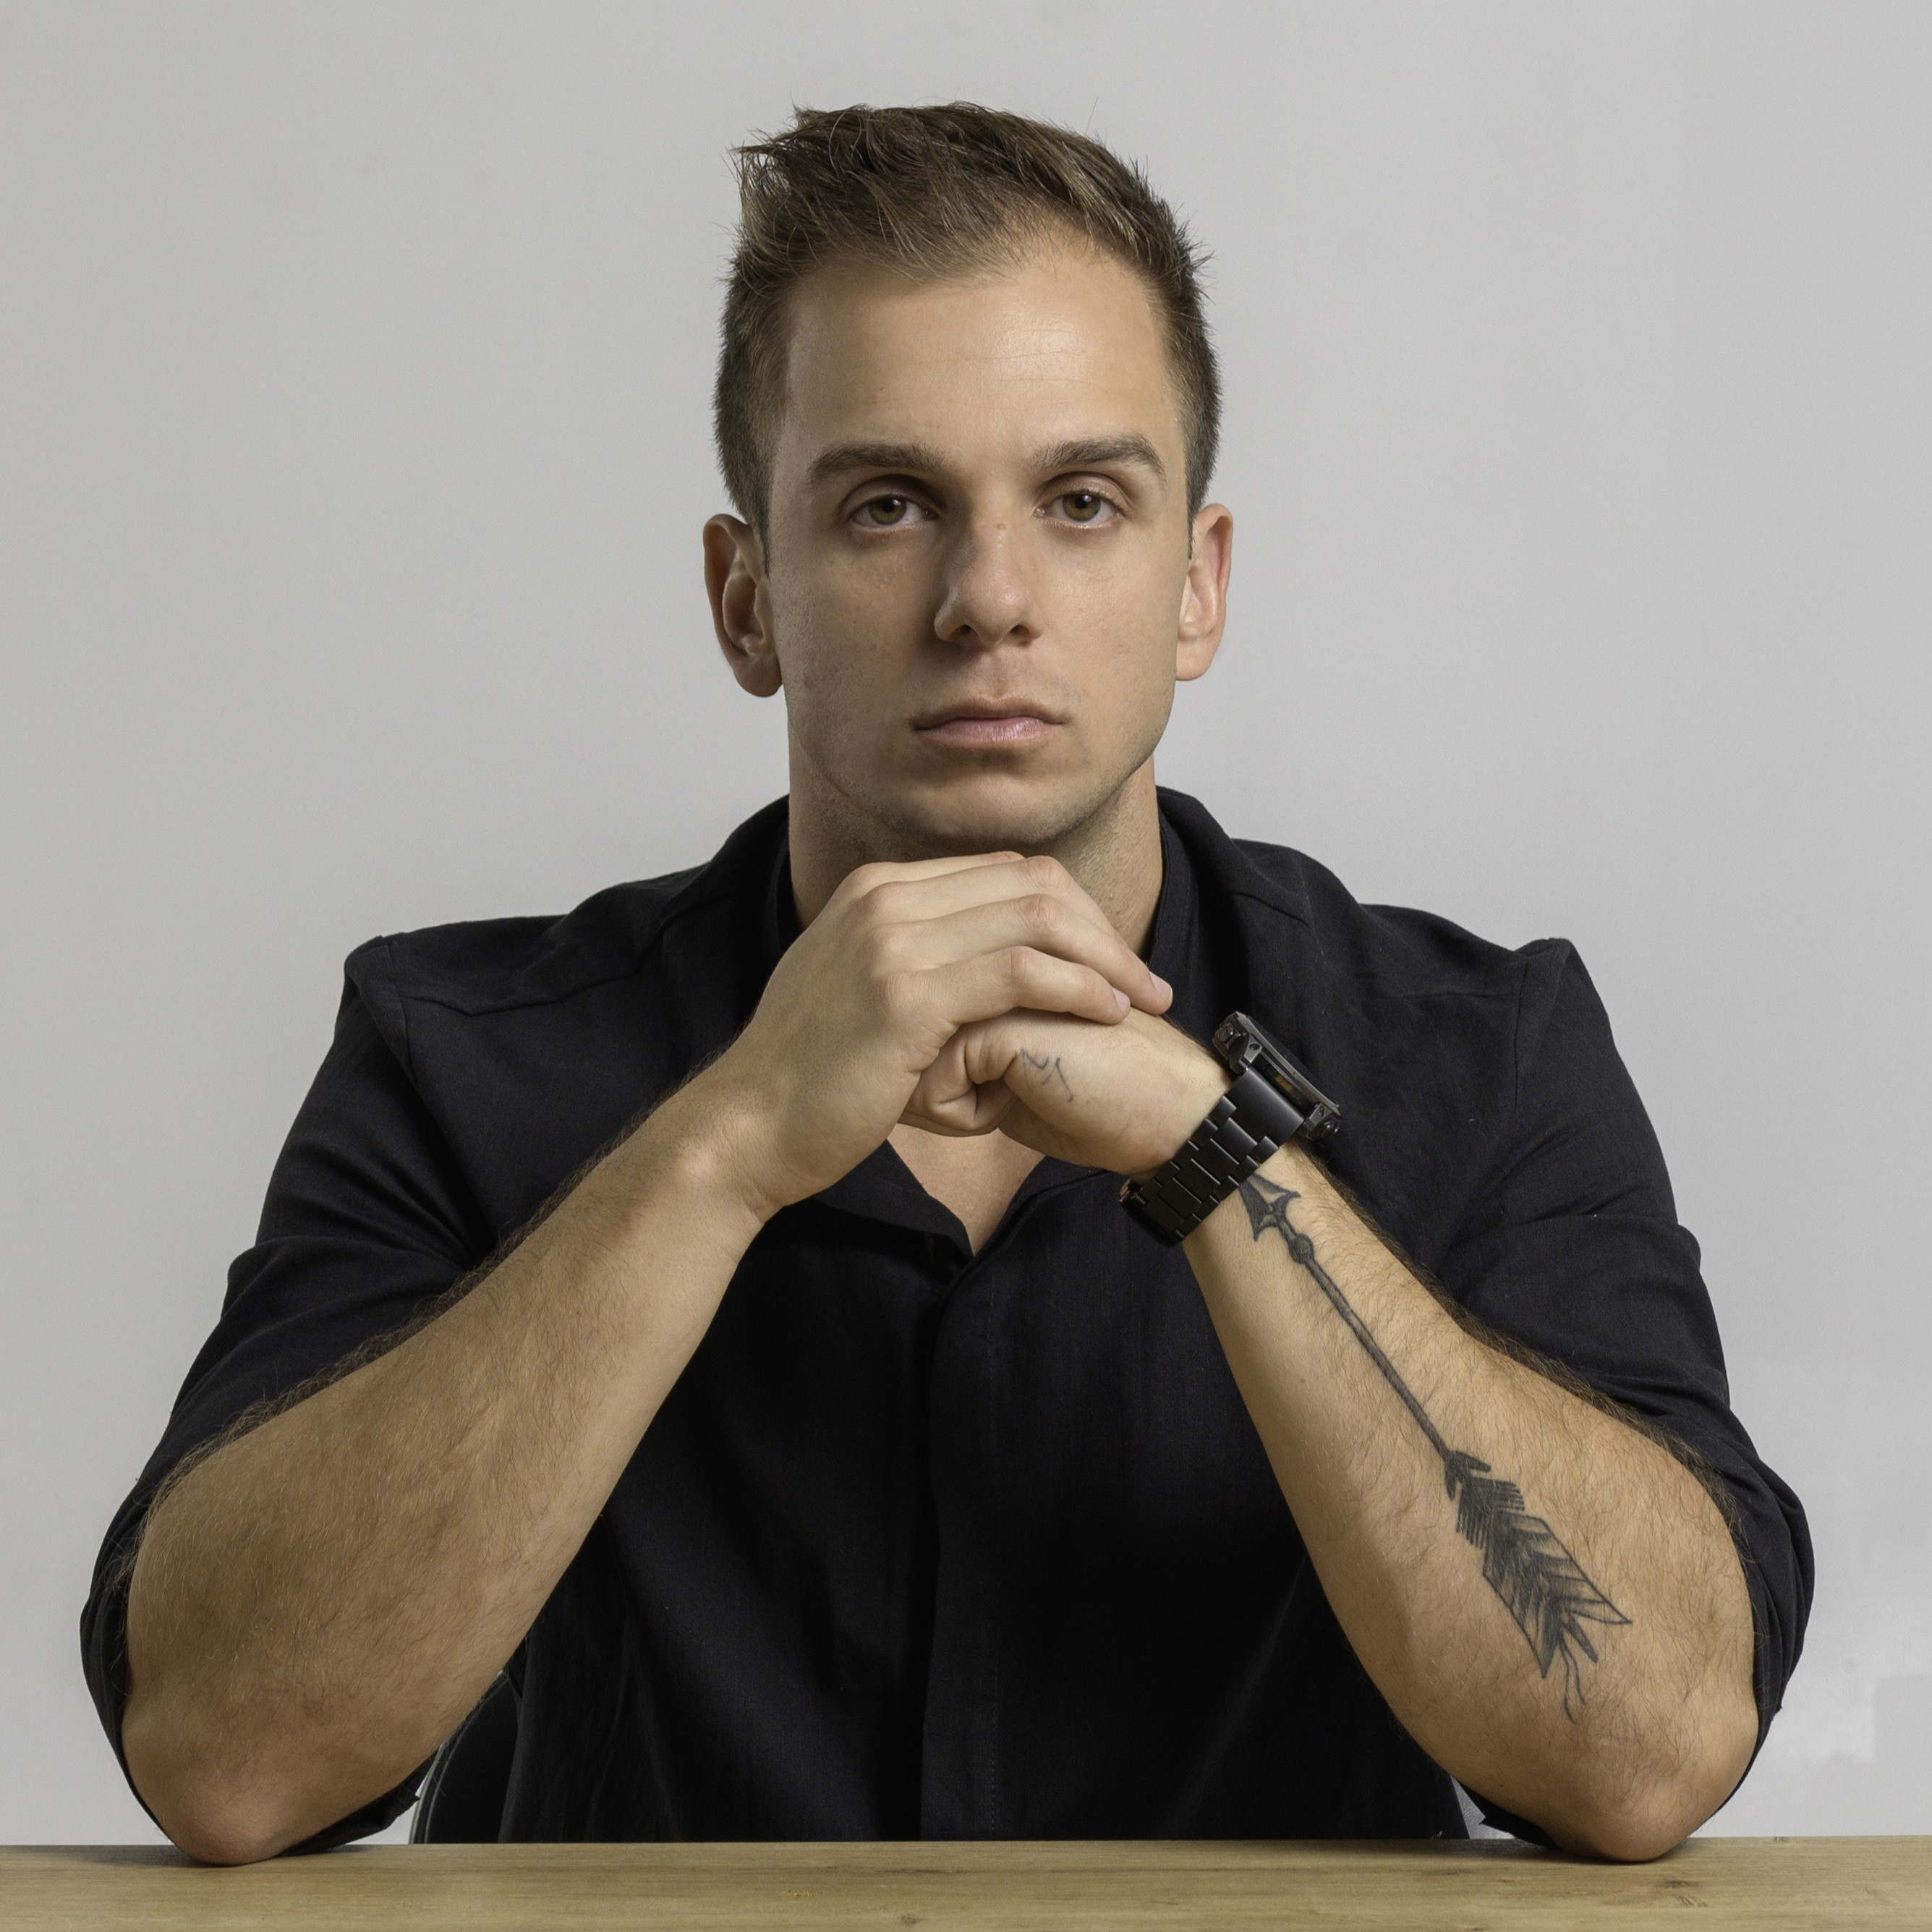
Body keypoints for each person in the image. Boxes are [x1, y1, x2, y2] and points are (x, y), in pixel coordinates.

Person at [83, 103, 1810, 1866]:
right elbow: (229, 1754)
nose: (989, 599)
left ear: (1196, 583)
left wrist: (1217, 1156)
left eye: (1081, 501)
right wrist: (729, 1140)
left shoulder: (1481, 1056)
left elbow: (1645, 1750)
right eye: (889, 505)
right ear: (744, 596)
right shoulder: (457, 1060)